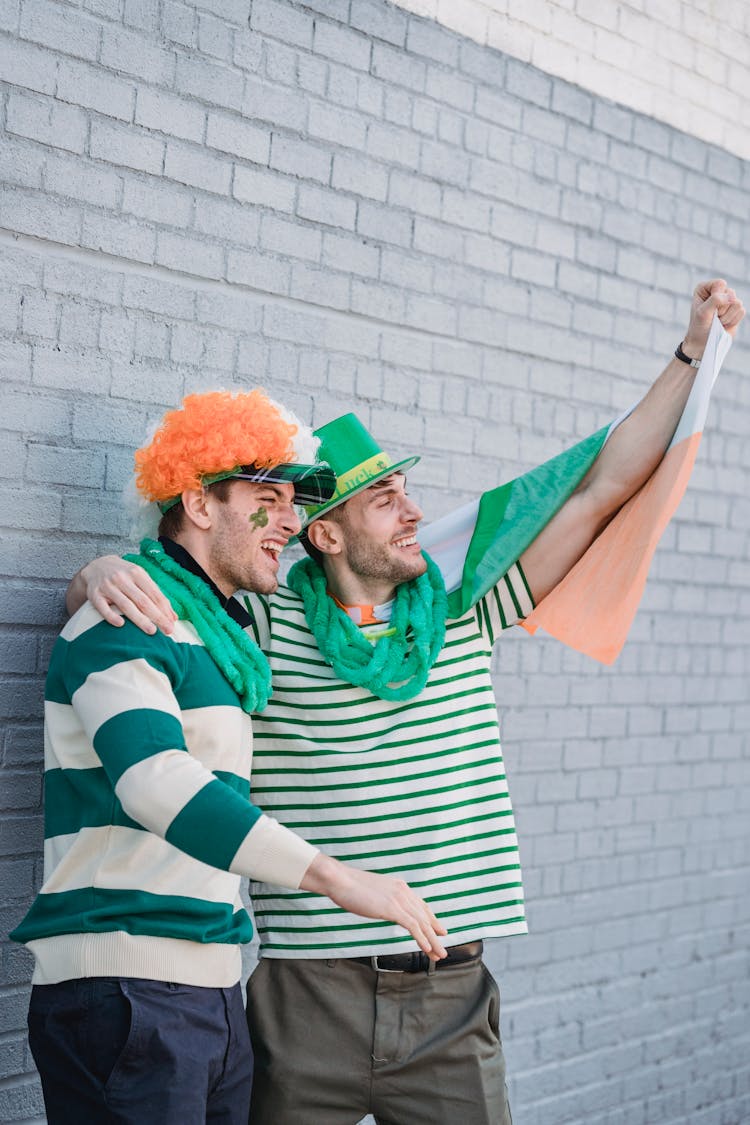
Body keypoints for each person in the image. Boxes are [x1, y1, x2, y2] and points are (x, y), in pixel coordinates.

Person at [67, 280, 744, 1124]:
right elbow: (177, 579)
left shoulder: (467, 608)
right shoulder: (261, 619)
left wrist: (688, 355)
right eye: (387, 499)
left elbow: (596, 490)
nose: (416, 513)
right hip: (303, 999)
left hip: (447, 997)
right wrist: (91, 576)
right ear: (326, 533)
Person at [11, 388, 447, 1125]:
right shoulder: (124, 616)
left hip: (210, 991)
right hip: (125, 992)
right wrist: (339, 880)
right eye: (267, 497)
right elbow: (158, 785)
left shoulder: (221, 642)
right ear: (199, 502)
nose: (291, 520)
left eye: (294, 502)